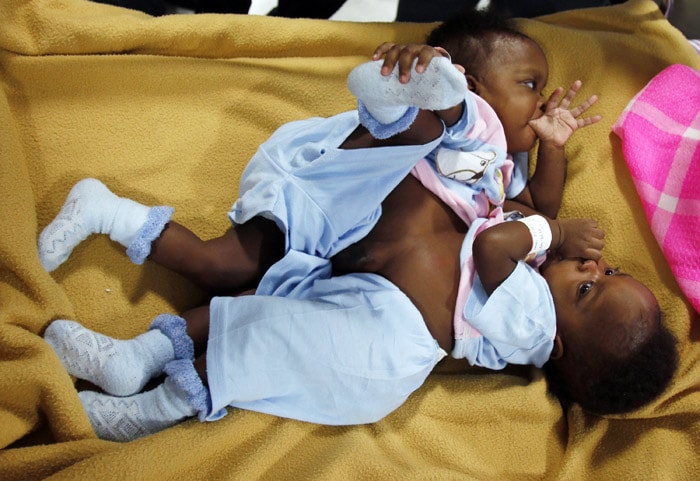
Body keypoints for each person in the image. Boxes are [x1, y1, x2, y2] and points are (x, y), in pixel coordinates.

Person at [38, 12, 677, 442]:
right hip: (361, 202)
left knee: (242, 298)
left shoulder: (533, 314)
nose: (595, 266)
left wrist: (554, 234)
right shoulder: (500, 183)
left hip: (359, 269)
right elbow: (535, 206)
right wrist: (552, 148)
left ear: (564, 347)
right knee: (468, 146)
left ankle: (137, 362)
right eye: (610, 269)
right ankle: (416, 102)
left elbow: (511, 237)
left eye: (593, 288)